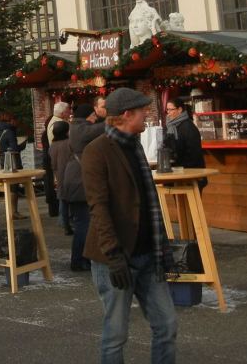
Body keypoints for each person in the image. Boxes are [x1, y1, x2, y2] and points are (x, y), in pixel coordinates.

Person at [83, 87, 177, 364]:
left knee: (167, 325)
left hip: (149, 254)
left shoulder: (135, 145)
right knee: (115, 335)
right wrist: (114, 256)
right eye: (142, 111)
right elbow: (98, 208)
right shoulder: (96, 151)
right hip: (116, 257)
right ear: (126, 114)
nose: (146, 115)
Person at [64, 103, 104, 271]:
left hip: (75, 180)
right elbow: (101, 128)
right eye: (94, 116)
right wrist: (116, 119)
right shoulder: (81, 129)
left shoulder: (75, 127)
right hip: (79, 182)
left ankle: (81, 259)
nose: (95, 119)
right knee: (83, 224)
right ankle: (78, 261)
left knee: (83, 223)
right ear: (88, 116)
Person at [164, 99, 206, 191]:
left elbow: (194, 153)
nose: (168, 113)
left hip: (191, 175)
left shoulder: (188, 127)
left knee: (191, 200)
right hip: (177, 174)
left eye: (171, 109)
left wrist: (178, 166)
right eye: (167, 110)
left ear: (180, 110)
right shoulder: (170, 126)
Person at [0, 112, 27, 217]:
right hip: (12, 161)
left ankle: (10, 212)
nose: (17, 122)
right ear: (10, 120)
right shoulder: (9, 132)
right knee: (14, 187)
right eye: (15, 120)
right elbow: (14, 149)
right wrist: (23, 145)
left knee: (9, 187)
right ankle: (14, 212)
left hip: (3, 160)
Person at [47, 119, 73, 236]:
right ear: (66, 131)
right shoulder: (70, 143)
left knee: (63, 200)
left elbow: (52, 164)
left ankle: (65, 224)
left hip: (59, 175)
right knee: (73, 201)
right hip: (71, 174)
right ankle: (70, 223)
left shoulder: (52, 146)